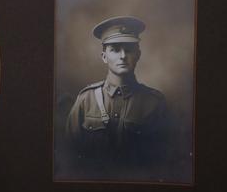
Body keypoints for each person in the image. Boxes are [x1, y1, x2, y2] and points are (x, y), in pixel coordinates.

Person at [64, 16, 169, 180]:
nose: (122, 56)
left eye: (128, 49)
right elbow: (69, 155)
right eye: (115, 49)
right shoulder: (86, 99)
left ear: (138, 54)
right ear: (104, 56)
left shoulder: (155, 103)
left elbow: (165, 161)